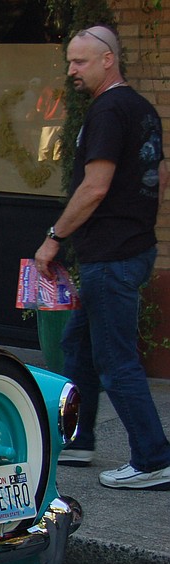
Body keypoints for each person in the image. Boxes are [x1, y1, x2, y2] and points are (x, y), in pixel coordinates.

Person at [34, 25, 170, 490]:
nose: (71, 70)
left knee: (115, 360)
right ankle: (78, 438)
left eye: (81, 61)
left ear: (108, 59)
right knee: (79, 347)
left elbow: (94, 187)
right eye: (70, 61)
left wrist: (54, 238)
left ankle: (153, 460)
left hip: (111, 257)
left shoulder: (109, 110)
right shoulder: (141, 109)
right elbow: (160, 174)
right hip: (127, 248)